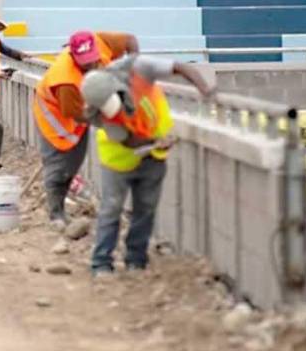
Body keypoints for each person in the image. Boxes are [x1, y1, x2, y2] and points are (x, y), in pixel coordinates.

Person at [81, 55, 215, 275]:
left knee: (145, 209)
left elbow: (179, 67)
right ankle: (101, 262)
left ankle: (136, 260)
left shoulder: (140, 69)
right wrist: (155, 142)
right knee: (111, 209)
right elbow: (127, 140)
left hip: (153, 155)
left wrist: (204, 89)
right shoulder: (100, 109)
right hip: (118, 160)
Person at [33, 29, 138, 226]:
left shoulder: (102, 41)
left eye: (93, 59)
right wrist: (110, 121)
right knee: (60, 164)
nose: (91, 65)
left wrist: (133, 71)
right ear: (73, 56)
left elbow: (130, 41)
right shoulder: (65, 80)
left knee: (75, 160)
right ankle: (56, 214)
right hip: (56, 115)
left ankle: (64, 198)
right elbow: (74, 113)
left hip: (84, 105)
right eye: (85, 63)